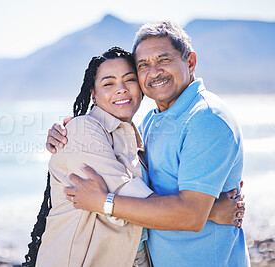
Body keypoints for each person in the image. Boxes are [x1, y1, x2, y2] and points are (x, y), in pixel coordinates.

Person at [46, 21, 249, 266]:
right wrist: (211, 212)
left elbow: (184, 214)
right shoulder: (148, 124)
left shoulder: (206, 119)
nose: (153, 72)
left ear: (190, 62)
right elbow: (140, 202)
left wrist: (197, 213)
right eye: (143, 65)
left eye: (163, 60)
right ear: (94, 94)